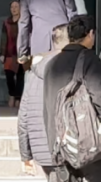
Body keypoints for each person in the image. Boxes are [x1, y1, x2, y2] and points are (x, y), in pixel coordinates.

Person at [43, 15, 101, 182]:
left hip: (62, 144)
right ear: (90, 34)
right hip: (90, 142)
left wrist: (54, 146)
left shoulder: (51, 65)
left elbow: (47, 108)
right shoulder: (90, 60)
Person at [18, 24, 68, 180]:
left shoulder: (32, 74)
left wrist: (26, 155)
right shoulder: (71, 69)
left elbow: (23, 118)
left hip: (41, 148)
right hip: (67, 147)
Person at [1, 0, 25, 108]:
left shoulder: (24, 21)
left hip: (21, 52)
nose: (14, 9)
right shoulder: (6, 22)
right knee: (9, 76)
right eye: (12, 7)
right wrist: (2, 53)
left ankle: (18, 98)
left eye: (16, 6)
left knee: (20, 77)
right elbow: (3, 38)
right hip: (10, 53)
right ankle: (12, 94)